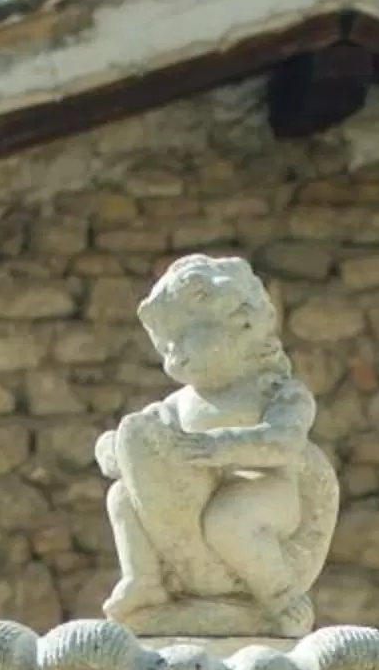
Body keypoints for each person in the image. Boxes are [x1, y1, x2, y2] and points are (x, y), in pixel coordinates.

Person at [97, 253, 339, 637]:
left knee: (230, 517)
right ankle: (143, 580)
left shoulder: (276, 392)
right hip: (200, 505)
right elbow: (144, 440)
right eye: (165, 347)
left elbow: (285, 444)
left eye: (184, 335)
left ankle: (279, 595)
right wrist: (112, 450)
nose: (174, 354)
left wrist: (217, 447)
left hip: (266, 497)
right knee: (122, 496)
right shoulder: (179, 403)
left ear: (242, 323)